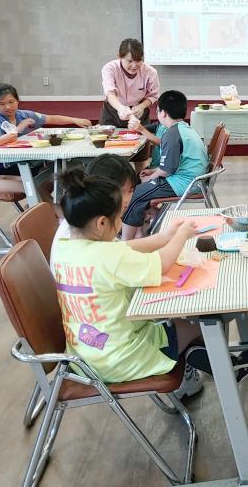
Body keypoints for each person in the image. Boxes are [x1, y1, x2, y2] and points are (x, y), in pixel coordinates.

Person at [49, 167, 204, 397]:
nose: (121, 222)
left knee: (173, 321)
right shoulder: (108, 256)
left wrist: (163, 237)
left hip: (85, 356)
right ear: (102, 223)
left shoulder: (66, 247)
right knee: (201, 324)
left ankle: (193, 367)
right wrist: (181, 236)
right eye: (119, 217)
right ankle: (193, 379)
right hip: (122, 359)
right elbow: (161, 264)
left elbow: (123, 248)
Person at [121, 91, 207, 239]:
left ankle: (126, 242)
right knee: (139, 187)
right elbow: (174, 162)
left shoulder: (172, 133)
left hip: (185, 183)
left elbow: (167, 169)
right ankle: (142, 230)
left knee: (136, 194)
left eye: (158, 111)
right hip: (192, 179)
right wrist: (153, 171)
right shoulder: (183, 128)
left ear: (164, 113)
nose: (158, 114)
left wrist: (151, 177)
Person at [0, 83, 90, 174]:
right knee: (55, 170)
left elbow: (50, 118)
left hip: (26, 159)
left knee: (65, 165)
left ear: (17, 100)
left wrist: (75, 120)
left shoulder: (24, 114)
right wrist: (18, 128)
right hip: (2, 164)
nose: (8, 107)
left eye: (11, 102)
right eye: (2, 104)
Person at [52, 154, 140, 250]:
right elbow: (118, 252)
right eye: (121, 192)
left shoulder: (79, 217)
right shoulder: (88, 232)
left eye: (130, 191)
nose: (127, 199)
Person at [100, 38, 160, 171]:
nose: (134, 65)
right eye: (129, 61)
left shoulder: (150, 72)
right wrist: (121, 108)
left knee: (141, 153)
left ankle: (139, 179)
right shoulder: (110, 68)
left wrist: (142, 106)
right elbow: (110, 93)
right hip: (113, 110)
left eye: (138, 60)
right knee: (109, 152)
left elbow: (153, 95)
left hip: (139, 111)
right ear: (119, 57)